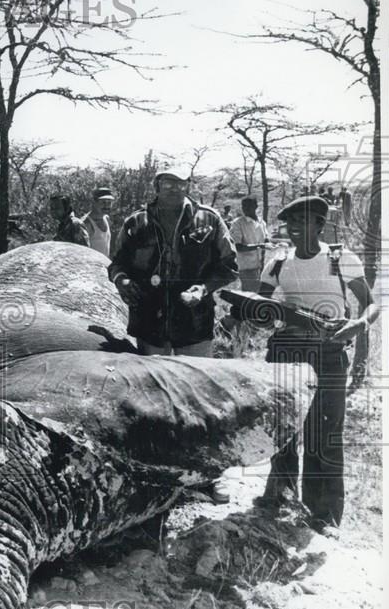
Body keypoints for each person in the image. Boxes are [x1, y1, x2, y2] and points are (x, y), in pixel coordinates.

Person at [109, 167, 238, 503]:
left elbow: (228, 266)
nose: (173, 189)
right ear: (156, 186)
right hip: (150, 318)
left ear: (187, 186)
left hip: (192, 319)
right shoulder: (136, 222)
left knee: (200, 396)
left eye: (180, 184)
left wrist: (205, 288)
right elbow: (116, 264)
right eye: (167, 183)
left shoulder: (208, 221)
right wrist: (123, 281)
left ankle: (210, 476)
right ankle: (159, 474)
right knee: (154, 396)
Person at [250, 196, 377, 533]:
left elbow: (371, 305)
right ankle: (280, 497)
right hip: (286, 352)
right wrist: (251, 314)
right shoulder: (278, 261)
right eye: (290, 222)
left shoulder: (338, 258)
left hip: (329, 352)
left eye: (303, 221)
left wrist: (358, 325)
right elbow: (260, 305)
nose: (294, 228)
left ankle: (324, 515)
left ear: (320, 225)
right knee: (282, 427)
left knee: (324, 432)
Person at [222, 196, 272, 357]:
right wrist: (260, 245)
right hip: (247, 266)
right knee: (250, 301)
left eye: (249, 205)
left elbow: (266, 239)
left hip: (261, 267)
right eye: (244, 206)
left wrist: (270, 243)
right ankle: (230, 328)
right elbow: (237, 246)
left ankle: (237, 329)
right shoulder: (238, 223)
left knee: (256, 299)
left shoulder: (261, 222)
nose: (246, 209)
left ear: (256, 205)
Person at [82, 187, 115, 258]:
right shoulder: (86, 223)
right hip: (91, 266)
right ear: (94, 202)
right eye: (103, 202)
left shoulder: (106, 218)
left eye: (109, 203)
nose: (106, 206)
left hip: (105, 266)